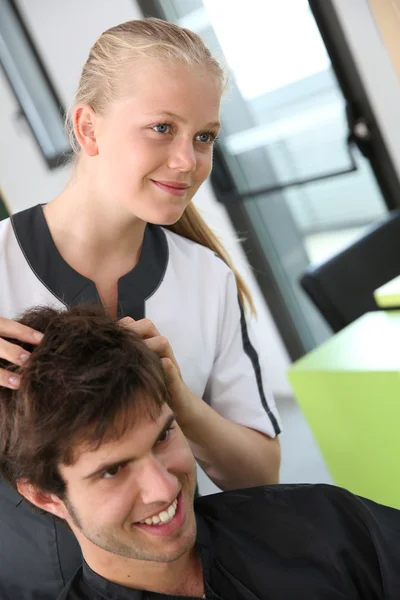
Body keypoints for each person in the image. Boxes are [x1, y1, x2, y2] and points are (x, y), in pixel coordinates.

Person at [0, 17, 282, 599]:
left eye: (204, 137)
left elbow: (259, 478)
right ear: (88, 128)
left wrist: (180, 402)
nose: (188, 161)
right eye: (162, 128)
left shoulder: (206, 279)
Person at [1, 305, 399, 600]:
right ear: (44, 496)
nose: (164, 487)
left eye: (163, 436)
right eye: (112, 471)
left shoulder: (327, 524)